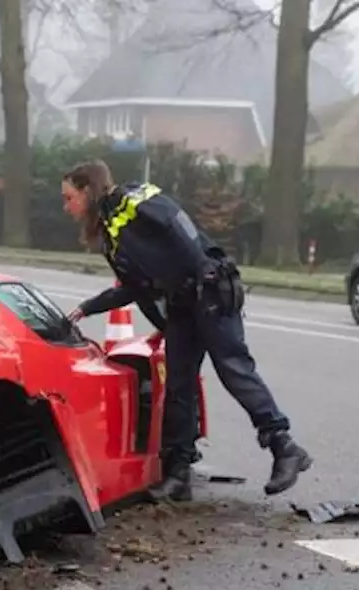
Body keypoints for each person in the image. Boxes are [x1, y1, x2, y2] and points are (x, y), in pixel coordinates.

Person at [61, 161, 312, 501]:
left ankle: (285, 447)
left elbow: (177, 223)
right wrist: (88, 307)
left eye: (69, 197)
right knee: (179, 385)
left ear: (88, 190)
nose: (67, 207)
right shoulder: (110, 232)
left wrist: (202, 272)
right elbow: (135, 286)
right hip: (182, 305)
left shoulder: (132, 200)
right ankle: (178, 473)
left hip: (207, 293)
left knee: (234, 370)